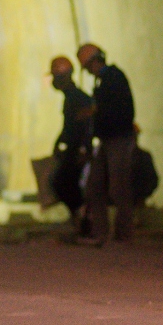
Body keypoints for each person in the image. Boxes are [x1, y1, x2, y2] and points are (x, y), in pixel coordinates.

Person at [77, 43, 136, 244]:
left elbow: (119, 110)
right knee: (95, 186)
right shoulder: (105, 81)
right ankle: (102, 233)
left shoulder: (113, 78)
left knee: (119, 188)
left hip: (118, 139)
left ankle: (124, 235)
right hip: (107, 140)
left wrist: (95, 111)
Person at [48, 56, 93, 235]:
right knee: (64, 182)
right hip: (73, 148)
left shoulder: (77, 98)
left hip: (76, 150)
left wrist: (83, 149)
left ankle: (83, 218)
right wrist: (59, 142)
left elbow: (84, 125)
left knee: (63, 183)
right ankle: (80, 220)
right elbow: (70, 125)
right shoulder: (72, 97)